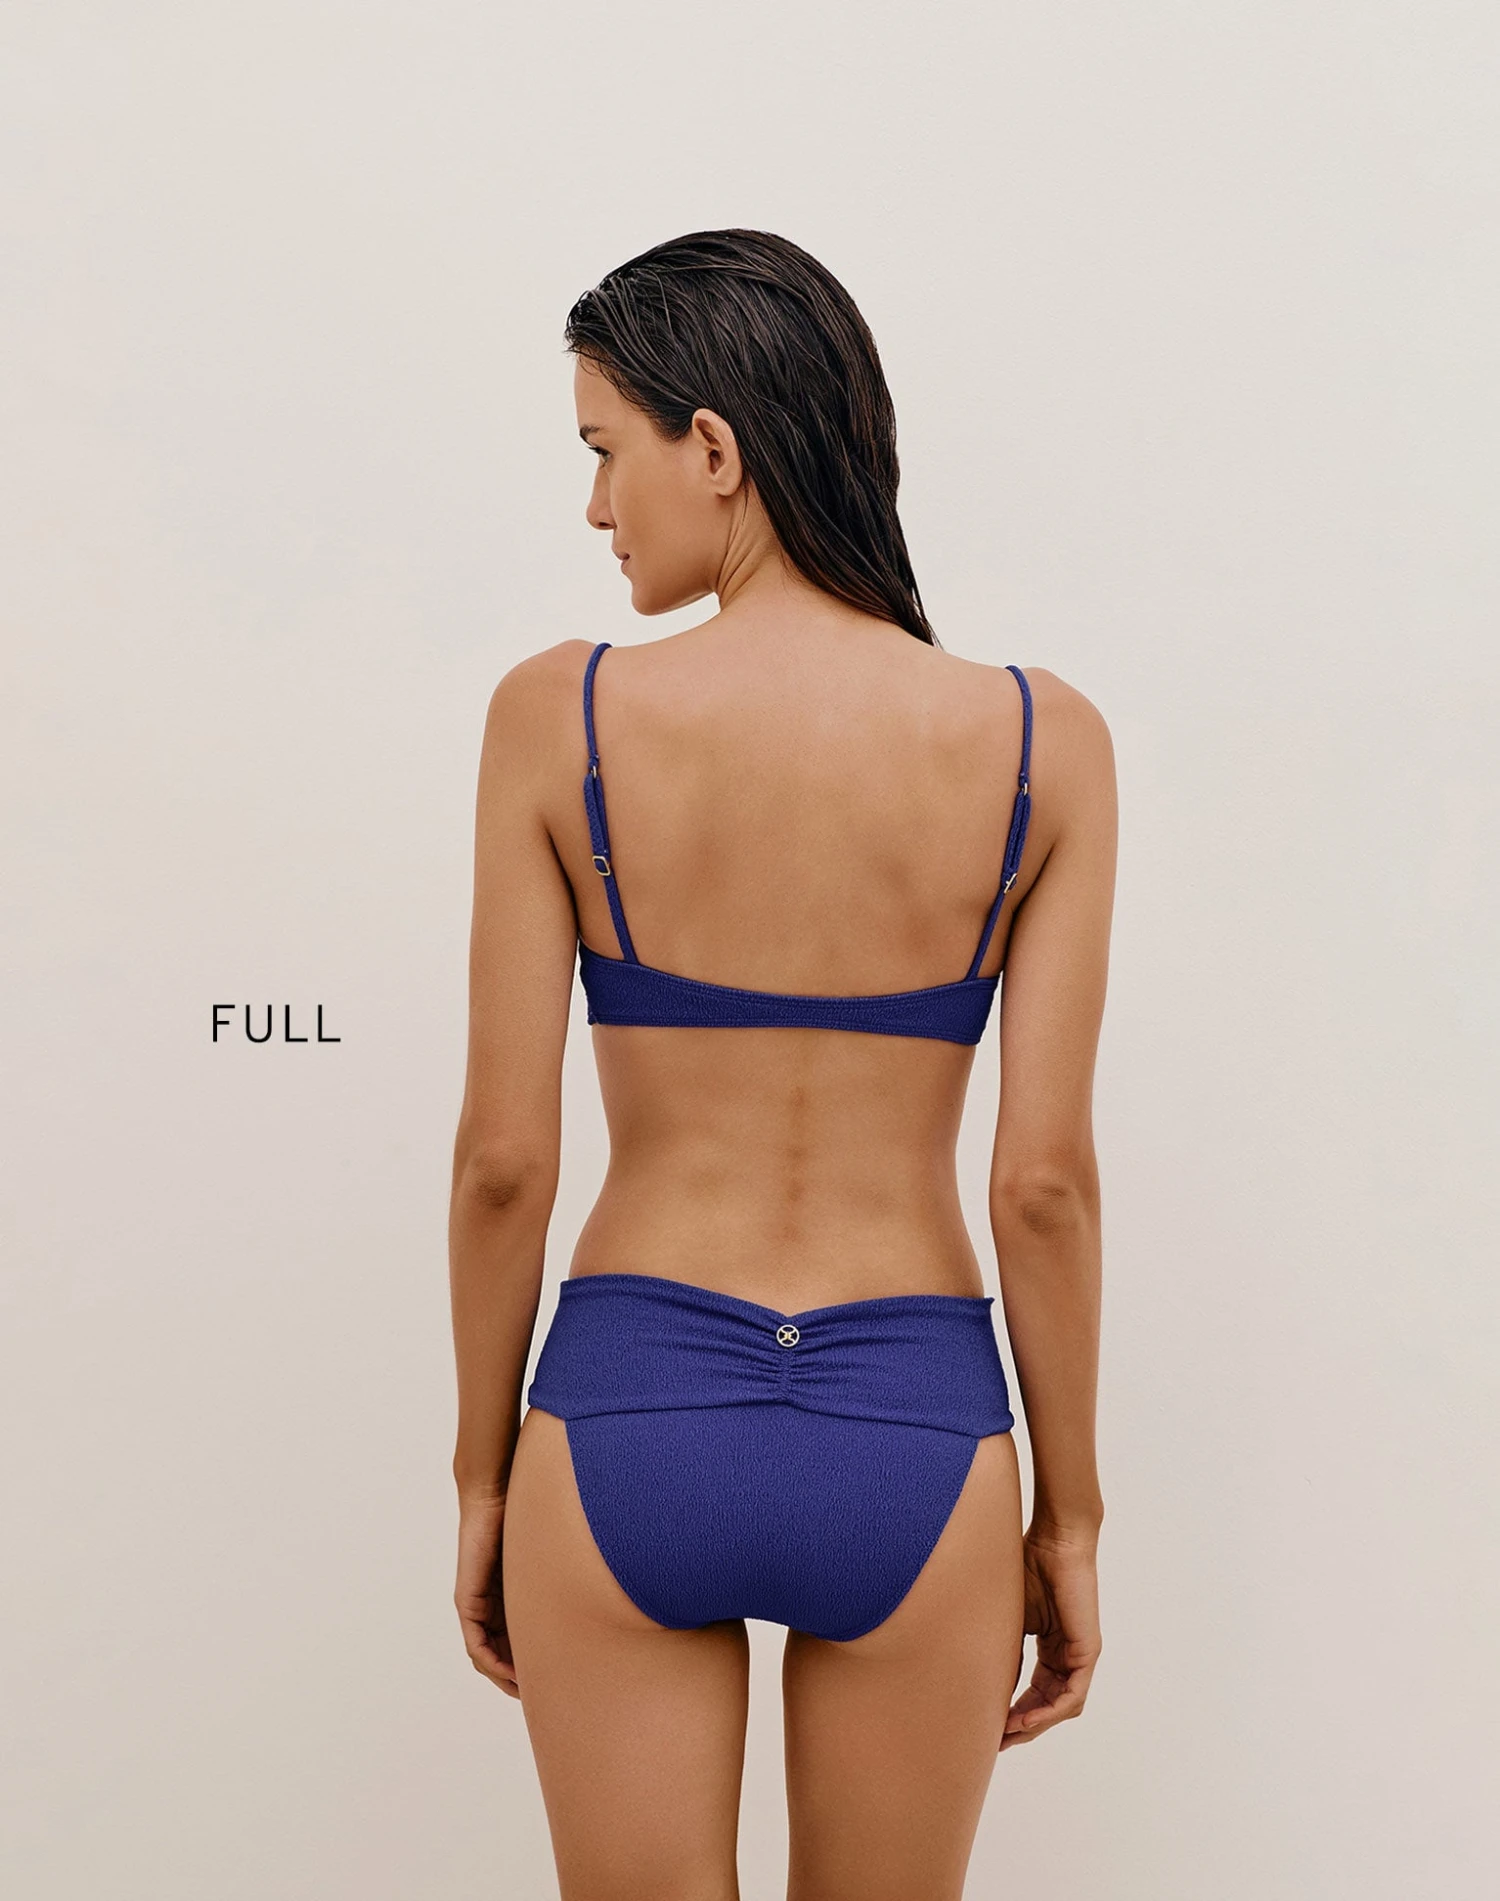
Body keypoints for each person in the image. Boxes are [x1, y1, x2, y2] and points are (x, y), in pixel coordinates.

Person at [448, 228, 1116, 1900]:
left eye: (604, 449)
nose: (595, 508)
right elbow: (1042, 1185)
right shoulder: (1043, 743)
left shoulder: (559, 718)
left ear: (715, 449)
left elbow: (504, 1166)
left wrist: (479, 1474)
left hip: (629, 1415)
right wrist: (1071, 1517)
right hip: (914, 1429)